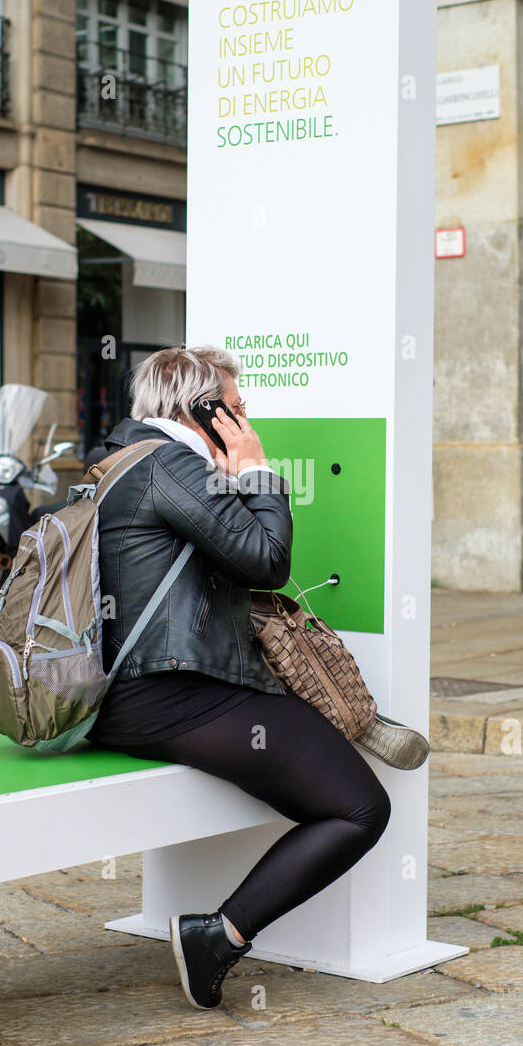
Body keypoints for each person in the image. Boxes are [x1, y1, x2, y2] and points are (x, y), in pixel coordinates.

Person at [88, 346, 391, 1010]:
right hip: (166, 694)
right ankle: (216, 936)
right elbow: (268, 559)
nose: (247, 415)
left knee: (310, 740)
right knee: (360, 807)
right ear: (206, 411)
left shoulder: (117, 459)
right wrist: (257, 471)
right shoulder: (170, 466)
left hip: (119, 693)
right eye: (239, 405)